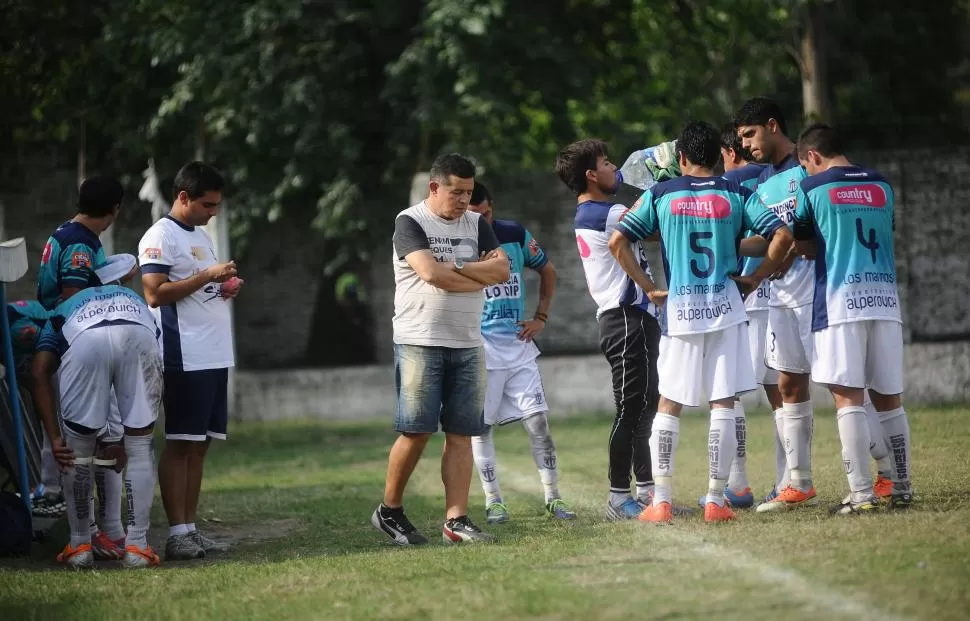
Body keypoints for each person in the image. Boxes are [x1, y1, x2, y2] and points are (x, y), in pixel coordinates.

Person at [609, 121, 791, 524]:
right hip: (726, 308)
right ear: (719, 157)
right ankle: (715, 500)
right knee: (723, 402)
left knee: (669, 403)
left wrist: (649, 287)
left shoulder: (661, 194)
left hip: (681, 311)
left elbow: (617, 240)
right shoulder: (738, 193)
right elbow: (781, 235)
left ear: (682, 159)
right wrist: (757, 277)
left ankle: (662, 501)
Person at [372, 153, 509, 546]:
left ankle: (457, 520)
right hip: (421, 340)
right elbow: (430, 274)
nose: (465, 200)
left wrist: (458, 271)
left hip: (467, 340)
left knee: (462, 433)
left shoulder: (477, 224)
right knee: (416, 431)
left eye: (468, 192)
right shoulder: (410, 221)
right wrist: (471, 273)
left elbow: (501, 271)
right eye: (456, 192)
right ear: (435, 187)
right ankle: (390, 509)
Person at [792, 123, 913, 513]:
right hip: (884, 299)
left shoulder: (811, 189)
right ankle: (902, 487)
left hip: (841, 302)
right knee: (889, 398)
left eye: (806, 165)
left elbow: (804, 241)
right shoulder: (882, 185)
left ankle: (860, 494)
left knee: (848, 397)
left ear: (812, 157)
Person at [555, 138, 664, 521]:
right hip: (625, 319)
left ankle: (649, 494)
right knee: (631, 408)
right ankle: (619, 498)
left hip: (633, 319)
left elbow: (648, 230)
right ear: (590, 175)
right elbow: (657, 222)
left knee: (645, 406)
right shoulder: (607, 212)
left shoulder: (601, 212)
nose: (614, 166)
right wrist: (662, 184)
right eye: (606, 162)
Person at [31, 254, 163, 568]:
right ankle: (138, 547)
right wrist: (125, 432)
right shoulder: (131, 297)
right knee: (141, 445)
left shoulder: (62, 308)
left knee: (77, 451)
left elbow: (39, 373)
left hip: (84, 341)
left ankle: (79, 546)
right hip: (137, 332)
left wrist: (55, 438)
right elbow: (154, 354)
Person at [138, 161, 239, 560]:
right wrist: (208, 277)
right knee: (180, 443)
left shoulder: (199, 234)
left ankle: (191, 529)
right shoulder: (159, 237)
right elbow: (154, 293)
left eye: (216, 205)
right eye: (207, 205)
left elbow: (201, 286)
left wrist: (224, 285)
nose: (212, 212)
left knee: (200, 446)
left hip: (215, 353)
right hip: (184, 355)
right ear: (183, 197)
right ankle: (177, 531)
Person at [466, 181, 576, 523]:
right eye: (474, 216)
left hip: (519, 346)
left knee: (539, 422)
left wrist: (541, 316)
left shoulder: (513, 233)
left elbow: (548, 269)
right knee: (480, 429)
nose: (482, 222)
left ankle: (553, 497)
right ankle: (493, 500)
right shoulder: (457, 243)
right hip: (482, 350)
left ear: (492, 207)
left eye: (486, 214)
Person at [735, 97, 822, 512]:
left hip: (821, 293)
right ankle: (795, 484)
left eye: (750, 135)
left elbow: (806, 236)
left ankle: (886, 475)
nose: (746, 146)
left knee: (850, 387)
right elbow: (771, 240)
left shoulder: (809, 165)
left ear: (772, 125)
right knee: (786, 386)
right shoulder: (763, 182)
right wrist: (726, 242)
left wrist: (779, 257)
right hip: (780, 298)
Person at [36, 175, 128, 559]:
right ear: (114, 210)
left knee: (86, 438)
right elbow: (75, 296)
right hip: (78, 341)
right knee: (99, 437)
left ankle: (95, 531)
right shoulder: (79, 242)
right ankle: (91, 533)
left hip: (62, 336)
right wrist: (115, 286)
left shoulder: (69, 232)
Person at [696, 123, 773, 509]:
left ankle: (738, 483)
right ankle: (792, 478)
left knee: (730, 395)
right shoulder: (775, 174)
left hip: (742, 298)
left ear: (728, 154)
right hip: (782, 292)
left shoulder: (729, 185)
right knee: (788, 395)